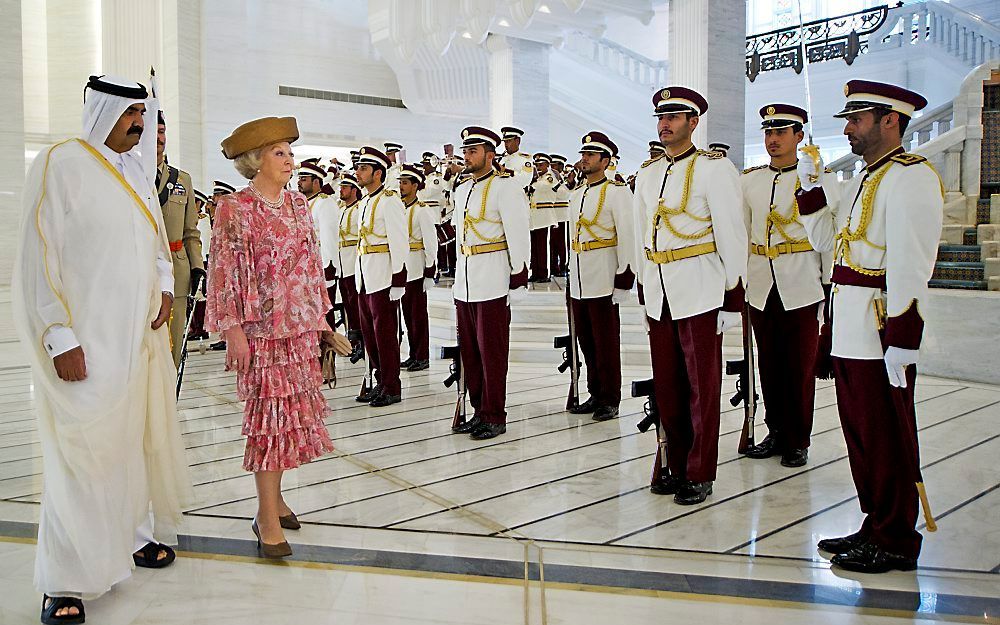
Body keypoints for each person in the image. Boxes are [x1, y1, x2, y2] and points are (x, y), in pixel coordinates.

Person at [13, 74, 190, 625]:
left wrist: (164, 285)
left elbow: (156, 241)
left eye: (145, 113)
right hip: (86, 343)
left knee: (131, 448)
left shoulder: (134, 172)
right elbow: (38, 256)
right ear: (102, 111)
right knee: (80, 459)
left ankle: (129, 540)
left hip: (135, 346)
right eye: (131, 113)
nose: (141, 123)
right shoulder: (61, 163)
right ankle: (63, 581)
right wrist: (58, 334)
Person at [796, 80, 943, 573]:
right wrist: (811, 187)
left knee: (885, 435)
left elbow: (911, 262)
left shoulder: (911, 177)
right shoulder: (864, 177)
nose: (847, 128)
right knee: (860, 433)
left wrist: (903, 337)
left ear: (890, 120)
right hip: (848, 323)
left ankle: (896, 537)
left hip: (880, 327)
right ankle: (875, 520)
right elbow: (826, 241)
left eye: (856, 119)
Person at [207, 116, 352, 559]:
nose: (290, 160)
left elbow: (312, 268)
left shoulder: (299, 206)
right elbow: (223, 273)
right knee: (267, 426)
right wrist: (232, 330)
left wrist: (323, 323)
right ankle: (265, 517)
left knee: (288, 423)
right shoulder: (234, 208)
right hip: (261, 334)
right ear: (255, 161)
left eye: (290, 152)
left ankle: (276, 501)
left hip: (300, 332)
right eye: (279, 153)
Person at [633, 86, 747, 505]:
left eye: (675, 117)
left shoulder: (715, 169)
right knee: (668, 388)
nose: (665, 123)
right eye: (661, 117)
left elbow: (732, 234)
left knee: (702, 387)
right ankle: (672, 462)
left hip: (701, 288)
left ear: (694, 122)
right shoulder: (647, 174)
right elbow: (640, 233)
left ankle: (699, 471)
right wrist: (645, 286)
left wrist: (733, 297)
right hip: (660, 289)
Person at [741, 104, 840, 468]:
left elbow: (828, 239)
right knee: (769, 364)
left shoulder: (818, 179)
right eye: (768, 133)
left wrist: (828, 286)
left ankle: (798, 438)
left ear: (799, 137)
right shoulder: (750, 181)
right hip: (761, 284)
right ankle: (775, 430)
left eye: (781, 133)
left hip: (801, 282)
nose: (773, 140)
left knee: (799, 367)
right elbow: (742, 233)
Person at [451, 126, 531, 440]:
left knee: (492, 353)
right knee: (469, 352)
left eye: (473, 150)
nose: (467, 156)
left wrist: (518, 278)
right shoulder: (461, 189)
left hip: (494, 279)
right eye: (466, 150)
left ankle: (494, 414)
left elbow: (518, 233)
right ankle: (477, 409)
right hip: (466, 281)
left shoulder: (505, 187)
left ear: (490, 153)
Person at [566, 132, 635, 422]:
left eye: (592, 155)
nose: (585, 158)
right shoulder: (576, 194)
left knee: (606, 342)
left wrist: (624, 278)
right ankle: (594, 392)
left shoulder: (617, 193)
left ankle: (610, 397)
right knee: (586, 341)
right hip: (580, 278)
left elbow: (628, 236)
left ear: (606, 161)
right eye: (584, 153)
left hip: (605, 276)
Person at [354, 146, 409, 406]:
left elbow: (400, 243)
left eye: (363, 168)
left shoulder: (390, 201)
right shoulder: (364, 202)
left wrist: (398, 279)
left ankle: (391, 385)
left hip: (384, 277)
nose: (358, 172)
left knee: (385, 335)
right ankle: (378, 380)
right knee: (370, 334)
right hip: (365, 276)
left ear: (378, 173)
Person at [155, 110, 205, 367]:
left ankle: (168, 400)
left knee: (174, 343)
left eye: (162, 132)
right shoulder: (130, 177)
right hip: (142, 270)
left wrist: (197, 266)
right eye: (153, 132)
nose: (158, 138)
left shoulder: (182, 180)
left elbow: (191, 231)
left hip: (178, 271)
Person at [398, 164, 438, 371]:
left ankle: (422, 355)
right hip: (404, 269)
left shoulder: (422, 210)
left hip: (417, 269)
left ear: (415, 186)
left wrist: (430, 270)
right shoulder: (400, 208)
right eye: (400, 182)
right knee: (407, 315)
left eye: (405, 183)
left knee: (418, 316)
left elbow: (431, 242)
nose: (401, 186)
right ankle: (413, 353)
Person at [298, 159, 340, 329]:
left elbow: (329, 237)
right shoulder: (304, 203)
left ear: (316, 182)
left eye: (304, 179)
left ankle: (327, 354)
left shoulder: (324, 202)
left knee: (324, 316)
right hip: (305, 267)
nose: (299, 183)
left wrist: (329, 267)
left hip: (321, 266)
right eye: (299, 179)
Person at [334, 173, 365, 362]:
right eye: (341, 187)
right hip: (342, 262)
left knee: (356, 304)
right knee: (347, 304)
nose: (341, 190)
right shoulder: (341, 209)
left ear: (354, 190)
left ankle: (361, 341)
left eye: (345, 187)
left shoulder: (359, 208)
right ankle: (351, 340)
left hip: (354, 260)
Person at [527, 153, 559, 283]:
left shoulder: (549, 177)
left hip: (545, 215)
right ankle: (535, 273)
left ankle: (545, 273)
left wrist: (532, 182)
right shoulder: (536, 178)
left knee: (543, 246)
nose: (538, 167)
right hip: (534, 216)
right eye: (537, 165)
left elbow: (543, 186)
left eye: (541, 164)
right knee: (534, 247)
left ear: (548, 165)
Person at [548, 153, 571, 277]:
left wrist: (559, 183)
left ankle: (564, 266)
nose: (551, 168)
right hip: (551, 214)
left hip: (562, 215)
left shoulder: (566, 179)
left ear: (561, 166)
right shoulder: (549, 178)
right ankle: (553, 266)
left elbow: (564, 194)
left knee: (563, 244)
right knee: (552, 243)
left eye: (554, 165)